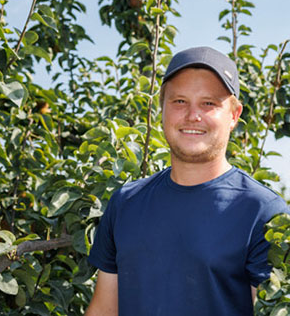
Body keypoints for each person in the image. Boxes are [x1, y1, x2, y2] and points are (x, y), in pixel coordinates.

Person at [84, 46, 289, 316]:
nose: (193, 115)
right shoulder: (126, 203)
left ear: (234, 115)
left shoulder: (264, 213)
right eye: (179, 101)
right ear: (162, 111)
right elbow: (104, 310)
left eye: (209, 103)